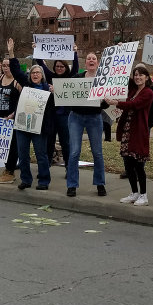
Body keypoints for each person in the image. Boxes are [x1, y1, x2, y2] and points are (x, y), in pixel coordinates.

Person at [7, 38, 54, 191]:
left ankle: (44, 181)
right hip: (22, 126)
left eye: (38, 73)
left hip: (39, 128)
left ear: (42, 75)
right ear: (30, 75)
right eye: (33, 72)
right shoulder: (26, 85)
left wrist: (54, 92)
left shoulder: (48, 89)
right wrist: (11, 52)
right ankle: (26, 180)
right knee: (23, 154)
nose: (35, 75)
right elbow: (15, 70)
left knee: (41, 155)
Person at [107, 64, 153, 207]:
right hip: (127, 131)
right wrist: (121, 56)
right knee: (128, 164)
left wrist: (116, 103)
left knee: (138, 165)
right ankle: (134, 192)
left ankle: (143, 195)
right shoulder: (132, 90)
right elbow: (122, 74)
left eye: (141, 75)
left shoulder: (148, 92)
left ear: (146, 77)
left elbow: (135, 105)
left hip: (138, 132)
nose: (137, 77)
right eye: (135, 75)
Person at [66, 51, 107, 198]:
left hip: (94, 118)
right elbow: (68, 93)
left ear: (97, 63)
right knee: (74, 152)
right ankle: (71, 185)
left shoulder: (102, 80)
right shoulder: (77, 78)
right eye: (89, 58)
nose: (91, 60)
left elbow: (106, 106)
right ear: (85, 63)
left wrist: (104, 101)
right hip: (76, 118)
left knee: (97, 152)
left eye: (94, 58)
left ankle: (100, 184)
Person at [33, 48, 79, 171]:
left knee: (66, 143)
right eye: (57, 66)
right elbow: (41, 64)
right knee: (49, 141)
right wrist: (36, 50)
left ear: (65, 67)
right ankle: (46, 167)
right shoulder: (50, 76)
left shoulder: (70, 77)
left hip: (64, 116)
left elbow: (75, 67)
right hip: (51, 115)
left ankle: (69, 168)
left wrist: (75, 53)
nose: (59, 68)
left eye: (61, 66)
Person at [0, 57, 22, 184]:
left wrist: (13, 114)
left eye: (8, 65)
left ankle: (10, 172)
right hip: (0, 118)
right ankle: (5, 170)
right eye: (3, 65)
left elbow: (23, 101)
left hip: (11, 118)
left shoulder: (17, 82)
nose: (5, 67)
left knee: (12, 146)